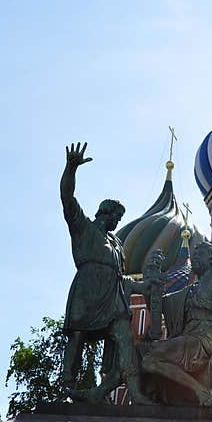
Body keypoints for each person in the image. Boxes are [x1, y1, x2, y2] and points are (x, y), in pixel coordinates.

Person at [59, 142, 154, 404]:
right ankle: (67, 387)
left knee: (124, 339)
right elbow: (67, 199)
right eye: (117, 217)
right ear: (106, 213)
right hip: (87, 290)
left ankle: (130, 391)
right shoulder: (83, 228)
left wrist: (145, 286)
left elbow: (121, 276)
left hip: (112, 300)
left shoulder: (117, 244)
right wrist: (71, 168)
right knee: (77, 337)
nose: (117, 223)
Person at [137, 241, 212, 406]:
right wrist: (151, 278)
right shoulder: (191, 289)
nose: (194, 258)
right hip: (190, 335)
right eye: (194, 255)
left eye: (199, 254)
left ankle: (201, 391)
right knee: (143, 353)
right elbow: (158, 306)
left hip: (206, 336)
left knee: (150, 360)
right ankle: (194, 391)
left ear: (211, 257)